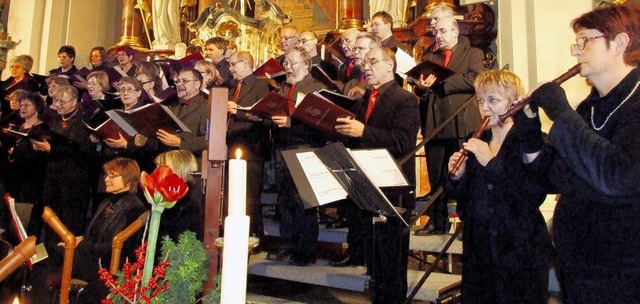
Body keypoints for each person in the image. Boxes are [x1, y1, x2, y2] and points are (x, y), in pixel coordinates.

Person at [514, 4, 640, 303]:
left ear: (620, 43)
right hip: (578, 268)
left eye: (585, 41)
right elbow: (554, 177)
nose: (575, 51)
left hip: (623, 275)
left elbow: (617, 177)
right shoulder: (590, 109)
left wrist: (560, 112)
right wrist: (530, 133)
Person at [446, 70, 552, 303]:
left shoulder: (531, 141)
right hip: (479, 251)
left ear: (514, 102)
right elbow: (466, 198)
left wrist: (491, 163)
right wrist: (457, 177)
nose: (485, 107)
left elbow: (532, 194)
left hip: (520, 251)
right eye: (481, 100)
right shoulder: (478, 141)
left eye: (493, 100)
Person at [335, 47, 420, 304]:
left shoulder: (405, 99)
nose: (366, 66)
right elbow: (358, 137)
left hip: (393, 187)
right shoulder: (364, 101)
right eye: (365, 62)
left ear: (390, 66)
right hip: (367, 184)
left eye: (372, 61)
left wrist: (363, 132)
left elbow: (403, 142)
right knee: (374, 262)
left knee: (391, 261)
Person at [414, 17, 485, 235]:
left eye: (443, 31)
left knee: (463, 173)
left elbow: (475, 79)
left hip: (460, 121)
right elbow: (421, 89)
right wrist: (422, 88)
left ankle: (467, 223)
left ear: (456, 31)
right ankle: (437, 221)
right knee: (436, 176)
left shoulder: (473, 53)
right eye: (436, 33)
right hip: (434, 122)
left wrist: (441, 83)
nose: (439, 36)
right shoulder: (429, 56)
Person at [266, 47, 326, 266]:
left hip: (306, 148)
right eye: (285, 64)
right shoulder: (283, 89)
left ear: (306, 64)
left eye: (292, 63)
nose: (287, 67)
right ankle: (287, 245)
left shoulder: (316, 88)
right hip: (282, 149)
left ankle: (305, 250)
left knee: (305, 203)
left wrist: (292, 123)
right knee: (285, 201)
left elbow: (321, 124)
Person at [68, 158, 145, 303]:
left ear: (128, 181)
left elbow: (116, 249)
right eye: (106, 175)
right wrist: (79, 241)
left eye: (112, 176)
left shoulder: (134, 207)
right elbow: (89, 233)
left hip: (107, 267)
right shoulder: (107, 201)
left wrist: (82, 245)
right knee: (50, 253)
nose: (106, 179)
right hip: (92, 259)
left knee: (54, 260)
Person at [32, 84, 92, 237]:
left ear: (74, 101)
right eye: (55, 101)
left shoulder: (82, 122)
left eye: (62, 101)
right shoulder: (56, 119)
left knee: (68, 220)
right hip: (53, 175)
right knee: (51, 216)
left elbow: (80, 151)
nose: (57, 105)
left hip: (73, 179)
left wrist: (50, 148)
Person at [226, 51, 271, 247]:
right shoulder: (233, 87)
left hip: (252, 148)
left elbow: (265, 116)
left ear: (245, 63)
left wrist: (239, 112)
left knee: (250, 196)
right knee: (237, 195)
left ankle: (255, 235)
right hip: (232, 145)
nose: (230, 68)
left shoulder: (260, 84)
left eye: (233, 64)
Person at [2, 92, 50, 242]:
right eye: (21, 105)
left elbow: (40, 158)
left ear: (37, 108)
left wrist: (16, 151)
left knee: (26, 223)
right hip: (12, 182)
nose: (22, 107)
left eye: (27, 105)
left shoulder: (42, 129)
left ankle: (26, 257)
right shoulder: (18, 128)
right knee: (10, 222)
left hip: (30, 184)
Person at [155, 149, 203, 241]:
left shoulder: (187, 207)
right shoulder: (165, 200)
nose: (156, 172)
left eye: (160, 168)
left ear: (176, 171)